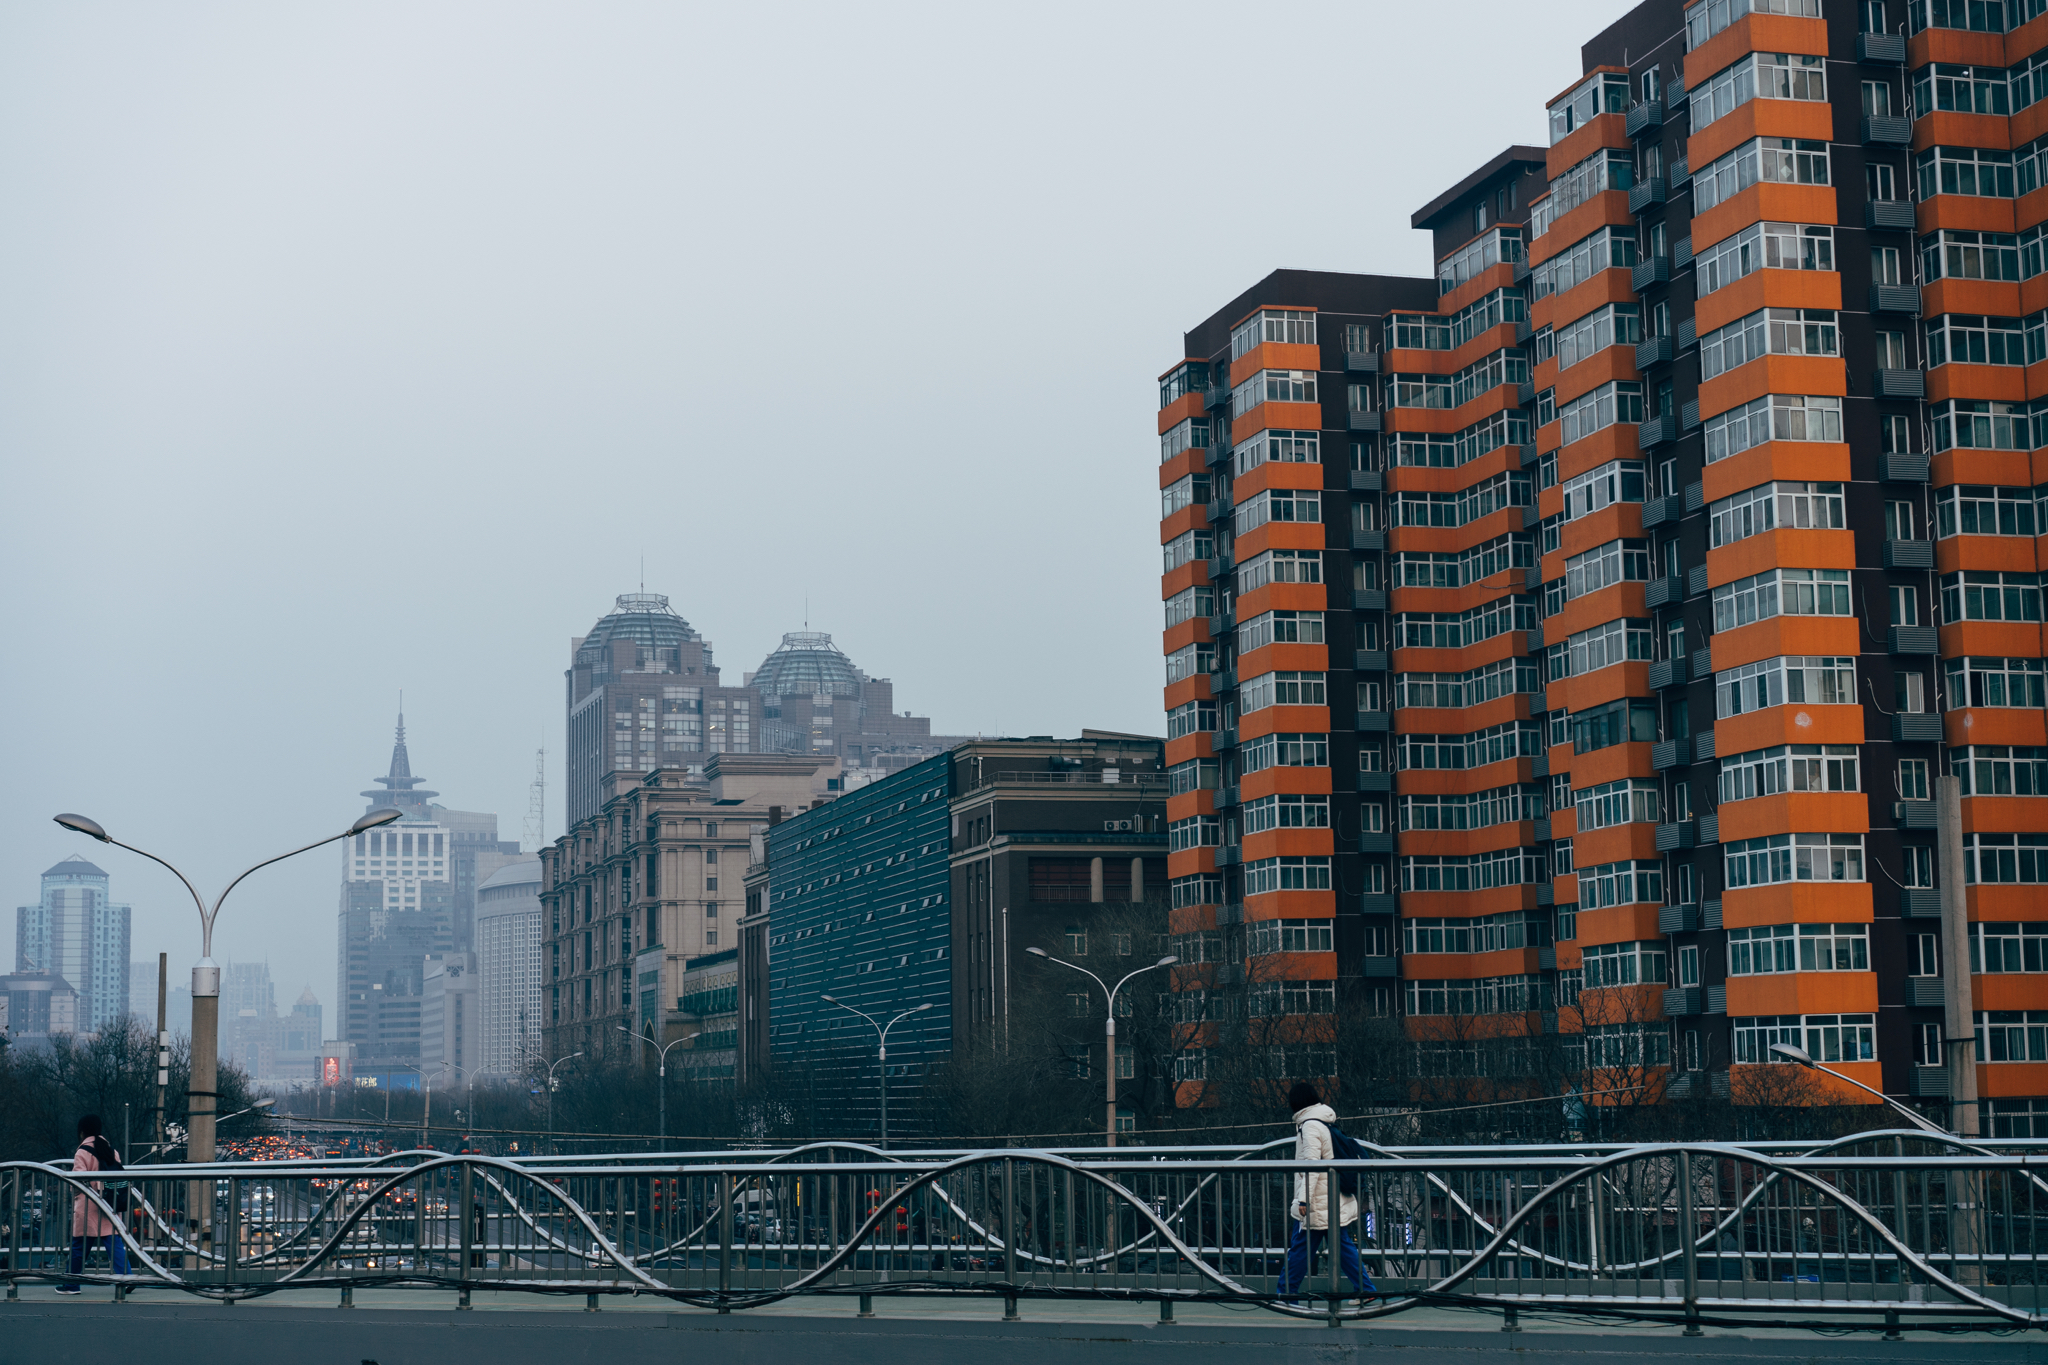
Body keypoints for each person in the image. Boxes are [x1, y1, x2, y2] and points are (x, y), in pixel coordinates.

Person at [1277, 1082, 1373, 1304]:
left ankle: (1285, 1294)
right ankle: (1366, 1289)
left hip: (1316, 1201)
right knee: (1342, 1248)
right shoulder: (1325, 1122)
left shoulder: (1309, 1126)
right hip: (1332, 1197)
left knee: (1300, 1250)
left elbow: (1311, 1164)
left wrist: (1303, 1199)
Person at [57, 1115, 131, 1295]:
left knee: (79, 1247)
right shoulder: (111, 1150)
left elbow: (77, 1180)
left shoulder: (82, 1151)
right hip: (109, 1203)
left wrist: (74, 1194)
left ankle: (72, 1284)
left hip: (88, 1206)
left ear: (82, 1131)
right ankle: (127, 1278)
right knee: (114, 1243)